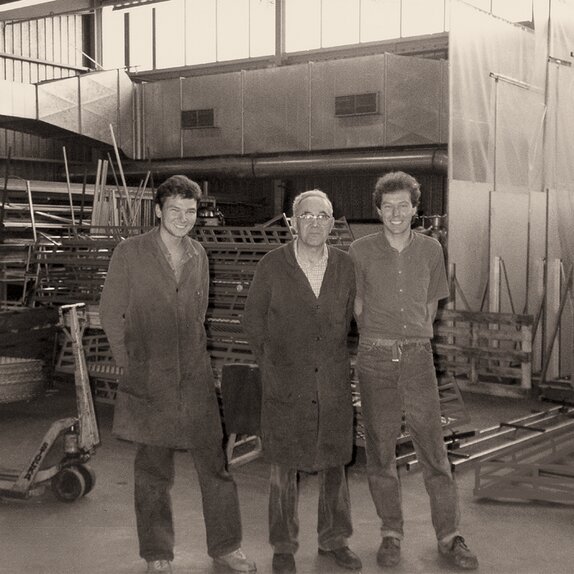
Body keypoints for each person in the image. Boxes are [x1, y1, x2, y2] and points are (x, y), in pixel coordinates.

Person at [99, 175, 256, 574]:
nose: (185, 218)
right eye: (176, 210)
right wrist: (128, 363)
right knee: (153, 472)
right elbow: (110, 312)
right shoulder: (130, 253)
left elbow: (198, 313)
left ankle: (226, 546)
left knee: (215, 466)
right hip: (149, 378)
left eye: (191, 211)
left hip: (196, 379)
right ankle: (157, 554)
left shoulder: (199, 254)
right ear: (158, 210)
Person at [348, 171, 479, 571]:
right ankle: (391, 534)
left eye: (403, 205)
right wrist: (379, 336)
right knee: (381, 452)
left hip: (418, 358)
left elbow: (432, 305)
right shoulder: (359, 250)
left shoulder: (431, 250)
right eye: (388, 206)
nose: (396, 213)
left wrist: (413, 339)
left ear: (415, 209)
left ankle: (448, 537)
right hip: (374, 358)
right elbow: (356, 305)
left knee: (434, 452)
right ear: (378, 210)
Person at [243, 190, 362, 574]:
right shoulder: (272, 265)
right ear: (293, 222)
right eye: (306, 215)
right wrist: (272, 365)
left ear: (332, 221)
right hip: (286, 382)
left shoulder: (345, 266)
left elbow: (354, 317)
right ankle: (283, 546)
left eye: (322, 215)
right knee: (282, 468)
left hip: (331, 381)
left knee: (333, 466)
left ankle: (334, 539)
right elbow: (253, 320)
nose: (315, 222)